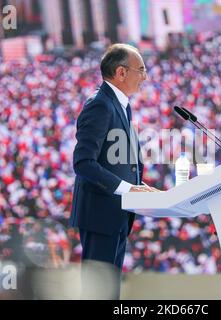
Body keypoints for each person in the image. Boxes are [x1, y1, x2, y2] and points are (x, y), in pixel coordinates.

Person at [69, 43, 157, 299]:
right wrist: (129, 188)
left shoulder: (121, 104)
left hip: (117, 215)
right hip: (100, 215)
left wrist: (140, 186)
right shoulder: (100, 105)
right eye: (140, 70)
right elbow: (84, 163)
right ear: (121, 72)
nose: (145, 76)